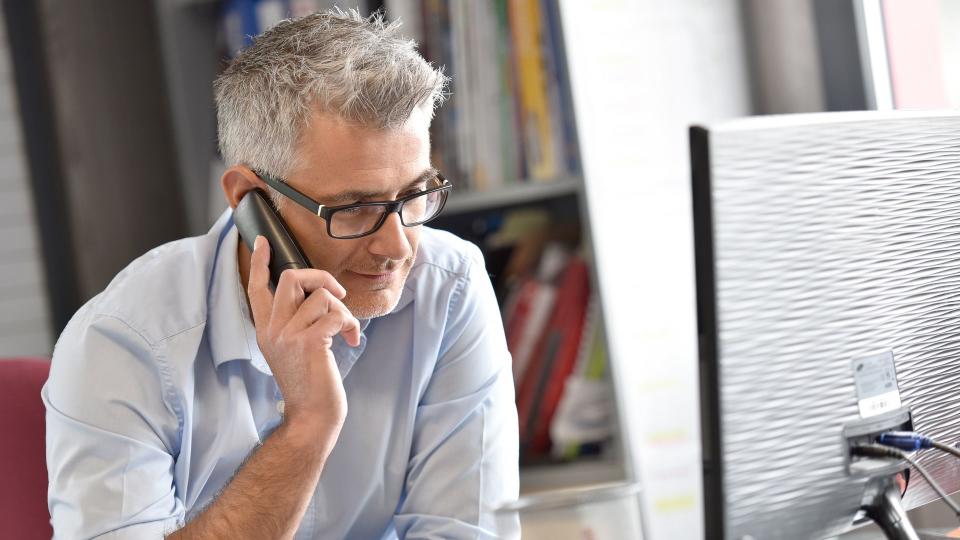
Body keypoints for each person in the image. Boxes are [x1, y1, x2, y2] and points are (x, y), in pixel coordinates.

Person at [43, 10, 519, 539]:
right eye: (354, 208)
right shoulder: (124, 342)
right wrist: (307, 430)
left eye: (414, 196)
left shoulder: (447, 287)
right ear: (250, 199)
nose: (397, 247)